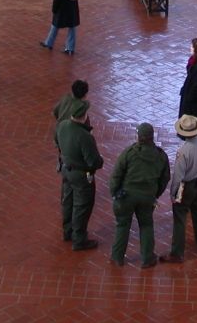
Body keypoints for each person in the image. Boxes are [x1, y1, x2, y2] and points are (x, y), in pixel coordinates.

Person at [109, 122, 170, 268]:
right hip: (147, 197)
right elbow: (165, 178)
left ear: (138, 136)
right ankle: (147, 258)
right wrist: (155, 194)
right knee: (146, 225)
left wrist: (115, 192)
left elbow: (116, 175)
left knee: (123, 225)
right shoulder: (161, 156)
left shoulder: (129, 153)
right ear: (151, 137)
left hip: (126, 196)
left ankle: (117, 257)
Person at [160, 114, 197, 263]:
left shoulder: (184, 151)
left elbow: (178, 176)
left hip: (186, 186)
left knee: (180, 217)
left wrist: (173, 193)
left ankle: (177, 253)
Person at [55, 99, 104, 251]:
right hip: (81, 175)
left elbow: (56, 141)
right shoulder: (84, 136)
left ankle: (67, 231)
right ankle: (79, 239)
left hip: (65, 169)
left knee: (67, 201)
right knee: (82, 206)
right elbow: (93, 161)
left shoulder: (62, 125)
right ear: (84, 115)